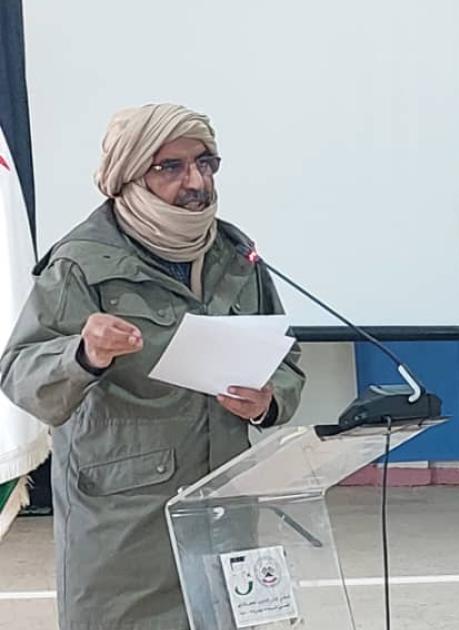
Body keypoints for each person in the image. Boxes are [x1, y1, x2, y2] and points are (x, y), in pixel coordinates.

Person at [0, 104, 305, 629]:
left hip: (222, 503)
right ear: (131, 174)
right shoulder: (79, 262)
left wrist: (267, 400)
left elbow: (284, 359)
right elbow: (21, 372)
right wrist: (84, 355)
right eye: (172, 167)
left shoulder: (235, 255)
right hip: (125, 522)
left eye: (205, 163)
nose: (196, 181)